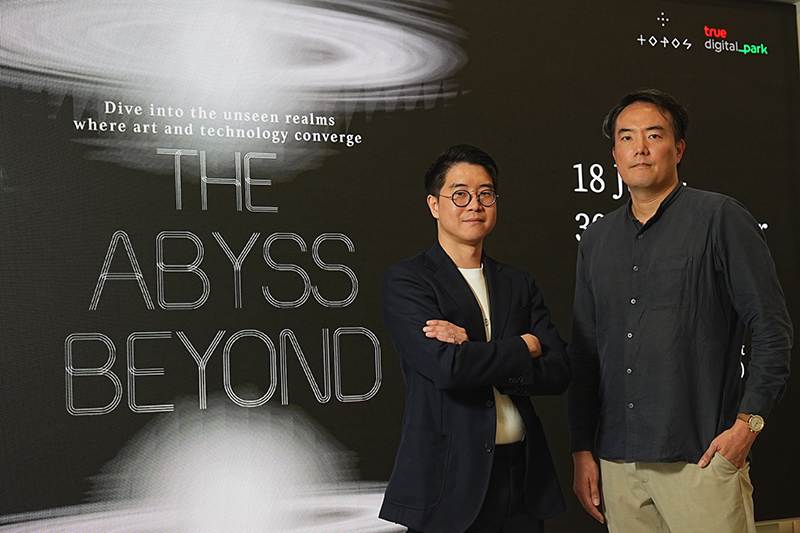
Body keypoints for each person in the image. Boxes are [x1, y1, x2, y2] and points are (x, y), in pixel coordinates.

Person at [568, 89, 793, 532]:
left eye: (654, 135)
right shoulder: (596, 239)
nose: (640, 148)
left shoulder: (721, 218)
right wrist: (581, 449)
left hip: (702, 458)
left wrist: (748, 425)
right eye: (627, 137)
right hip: (617, 463)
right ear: (614, 153)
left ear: (679, 148)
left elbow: (771, 329)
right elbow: (585, 351)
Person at [378, 145, 571, 533]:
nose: (475, 206)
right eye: (460, 194)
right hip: (449, 483)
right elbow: (448, 369)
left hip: (521, 479)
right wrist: (525, 346)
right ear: (434, 204)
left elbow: (558, 371)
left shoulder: (518, 282)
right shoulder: (408, 280)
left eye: (486, 194)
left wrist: (475, 353)